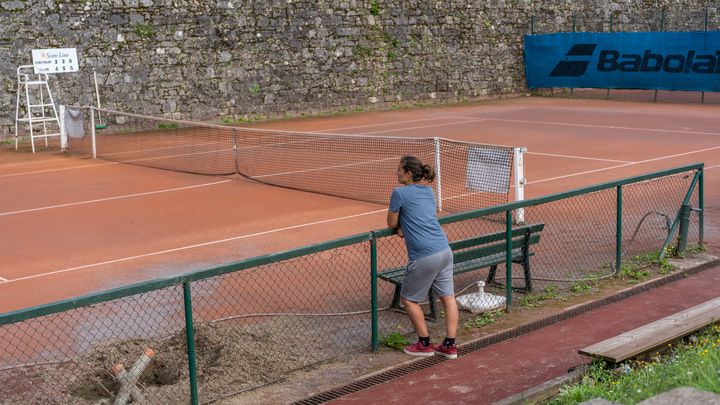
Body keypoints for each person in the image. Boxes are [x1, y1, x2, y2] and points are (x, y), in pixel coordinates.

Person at [387, 155, 459, 359]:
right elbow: (424, 216)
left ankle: (424, 344)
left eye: (399, 170)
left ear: (408, 174)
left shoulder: (398, 193)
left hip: (424, 255)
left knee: (409, 299)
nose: (396, 173)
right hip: (444, 250)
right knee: (448, 298)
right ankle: (449, 346)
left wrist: (401, 225)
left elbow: (391, 223)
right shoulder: (428, 191)